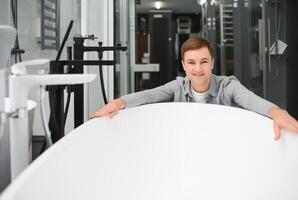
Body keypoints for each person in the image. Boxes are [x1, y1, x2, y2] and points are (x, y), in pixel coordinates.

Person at [91, 37, 298, 140]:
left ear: (213, 63)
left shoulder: (228, 86)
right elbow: (148, 95)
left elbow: (252, 100)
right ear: (183, 65)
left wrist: (277, 112)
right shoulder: (177, 86)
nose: (198, 69)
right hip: (188, 142)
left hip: (220, 142)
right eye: (191, 63)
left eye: (204, 62)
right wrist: (117, 103)